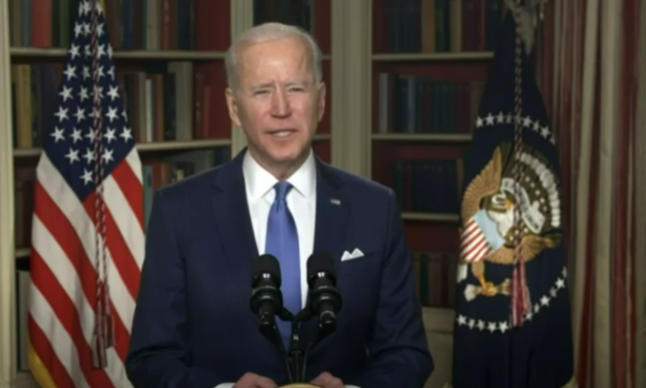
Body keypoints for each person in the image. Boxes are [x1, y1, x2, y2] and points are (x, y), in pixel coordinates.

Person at [125, 22, 434, 388]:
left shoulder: (375, 208)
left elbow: (407, 354)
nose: (281, 108)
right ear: (234, 108)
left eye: (295, 88)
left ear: (320, 100)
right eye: (261, 91)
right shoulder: (178, 211)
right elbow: (151, 358)